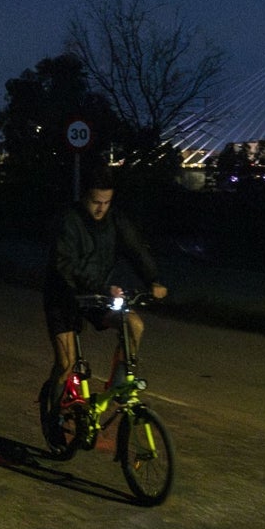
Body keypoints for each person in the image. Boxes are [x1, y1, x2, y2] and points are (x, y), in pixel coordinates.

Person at [41, 166, 167, 440]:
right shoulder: (68, 221)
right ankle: (54, 419)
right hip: (63, 296)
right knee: (67, 364)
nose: (101, 209)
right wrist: (103, 288)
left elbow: (136, 249)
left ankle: (119, 384)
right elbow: (65, 265)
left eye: (106, 203)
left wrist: (153, 280)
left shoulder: (116, 220)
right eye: (96, 202)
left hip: (97, 296)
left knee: (133, 324)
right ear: (85, 197)